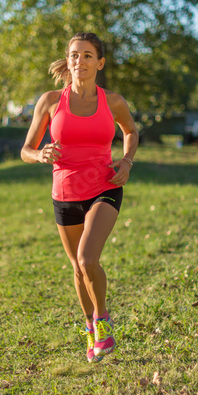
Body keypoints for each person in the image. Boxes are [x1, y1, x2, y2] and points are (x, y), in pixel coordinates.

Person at [21, 32, 138, 363]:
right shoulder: (49, 101)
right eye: (75, 55)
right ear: (68, 61)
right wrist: (40, 155)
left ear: (99, 63)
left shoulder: (112, 101)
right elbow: (25, 150)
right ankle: (88, 327)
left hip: (105, 185)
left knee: (88, 259)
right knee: (76, 268)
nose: (80, 61)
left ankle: (102, 322)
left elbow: (131, 131)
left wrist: (126, 160)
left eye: (88, 55)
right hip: (65, 192)